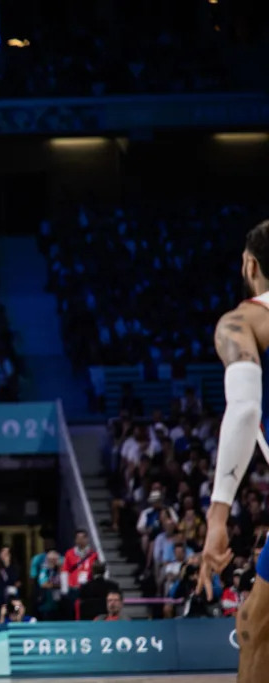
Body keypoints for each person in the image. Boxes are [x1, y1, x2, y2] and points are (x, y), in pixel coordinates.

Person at [200, 220, 269, 683]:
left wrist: (217, 515)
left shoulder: (243, 320)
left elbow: (244, 410)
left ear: (250, 265)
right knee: (254, 624)